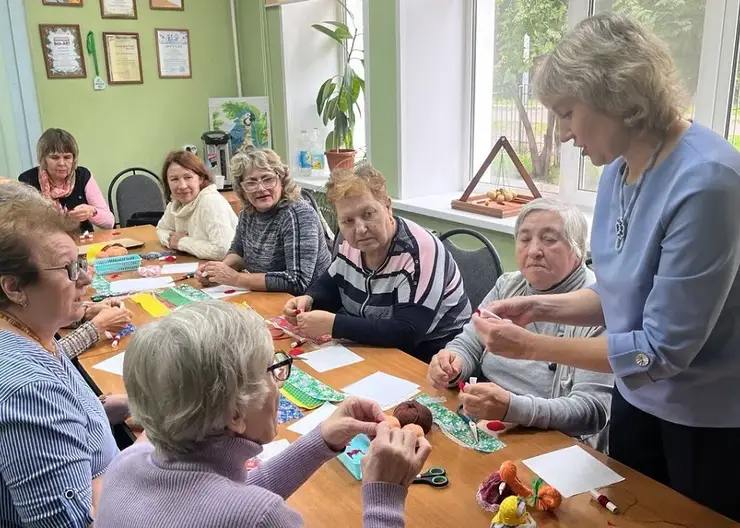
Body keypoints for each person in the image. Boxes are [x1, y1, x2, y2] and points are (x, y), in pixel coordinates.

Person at [473, 13, 740, 521]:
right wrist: (537, 306)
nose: (563, 133)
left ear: (617, 95)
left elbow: (659, 351)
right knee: (626, 515)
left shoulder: (708, 181)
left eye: (568, 113)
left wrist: (531, 345)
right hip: (635, 398)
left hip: (706, 423)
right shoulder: (618, 169)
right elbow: (621, 296)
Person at [96, 301, 432, 528]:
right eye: (272, 370)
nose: (279, 383)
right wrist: (384, 497)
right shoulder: (262, 518)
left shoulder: (126, 464)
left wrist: (320, 441)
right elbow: (243, 510)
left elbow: (220, 498)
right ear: (235, 414)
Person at [428, 199, 612, 450]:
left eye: (549, 240)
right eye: (525, 239)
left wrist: (512, 407)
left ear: (577, 248)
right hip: (486, 418)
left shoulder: (599, 309)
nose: (534, 250)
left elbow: (591, 412)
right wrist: (454, 361)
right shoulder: (508, 286)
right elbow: (470, 340)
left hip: (552, 441)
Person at [0, 181, 118, 526]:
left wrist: (120, 409)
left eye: (81, 261)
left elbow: (63, 421)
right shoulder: (28, 390)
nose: (85, 278)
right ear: (14, 287)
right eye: (69, 268)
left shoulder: (31, 331)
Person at [284, 164, 471, 362]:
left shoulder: (420, 251)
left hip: (432, 357)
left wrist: (334, 325)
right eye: (348, 221)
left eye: (368, 214)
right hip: (374, 347)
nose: (360, 229)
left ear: (387, 206)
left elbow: (407, 332)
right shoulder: (351, 244)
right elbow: (330, 286)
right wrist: (309, 300)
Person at [196, 148, 331, 295]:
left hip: (308, 305)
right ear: (242, 189)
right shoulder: (248, 212)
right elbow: (237, 252)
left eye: (268, 179)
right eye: (251, 182)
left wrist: (235, 278)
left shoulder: (297, 214)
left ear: (282, 181)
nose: (261, 188)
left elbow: (297, 281)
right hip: (268, 296)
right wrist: (217, 271)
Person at [18, 128, 114, 232]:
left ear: (74, 159)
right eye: (54, 158)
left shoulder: (83, 176)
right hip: (45, 243)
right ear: (43, 159)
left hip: (83, 240)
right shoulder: (28, 180)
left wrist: (92, 212)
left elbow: (109, 222)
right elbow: (23, 227)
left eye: (67, 157)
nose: (62, 163)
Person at [156, 150, 238, 260]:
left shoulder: (211, 201)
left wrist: (182, 242)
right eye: (174, 179)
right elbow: (161, 230)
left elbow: (223, 250)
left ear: (201, 178)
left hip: (225, 271)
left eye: (188, 177)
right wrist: (175, 241)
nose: (182, 186)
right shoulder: (176, 203)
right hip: (194, 265)